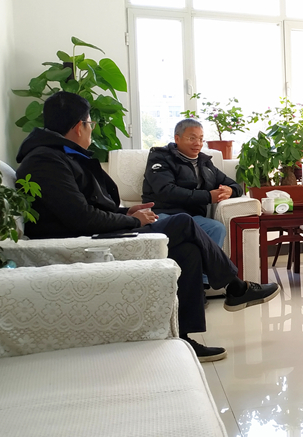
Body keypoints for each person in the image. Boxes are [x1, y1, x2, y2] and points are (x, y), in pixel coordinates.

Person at [15, 91, 280, 363]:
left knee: (188, 250)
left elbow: (82, 208)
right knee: (183, 222)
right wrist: (134, 220)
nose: (91, 129)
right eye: (90, 123)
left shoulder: (60, 155)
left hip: (97, 232)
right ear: (78, 127)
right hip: (89, 242)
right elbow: (81, 218)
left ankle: (183, 337)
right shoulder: (47, 160)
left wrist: (125, 211)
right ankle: (236, 288)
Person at [142, 118, 243, 251]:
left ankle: (208, 265)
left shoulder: (205, 163)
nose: (198, 143)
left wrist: (230, 190)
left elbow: (234, 185)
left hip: (193, 217)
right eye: (192, 138)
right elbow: (166, 191)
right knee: (180, 228)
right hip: (163, 214)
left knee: (216, 228)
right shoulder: (160, 158)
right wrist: (208, 197)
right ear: (177, 139)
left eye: (201, 139)